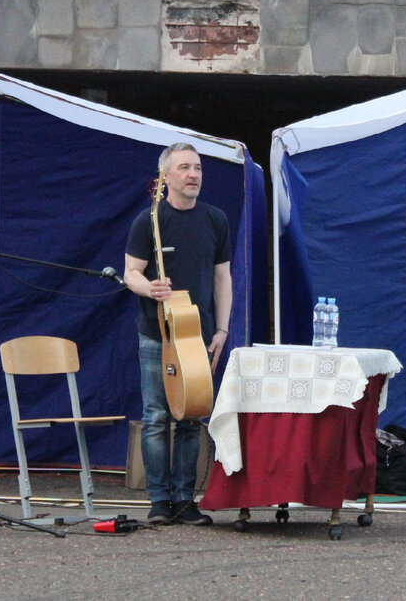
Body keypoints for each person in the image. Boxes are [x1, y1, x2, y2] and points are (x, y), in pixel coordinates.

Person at [124, 143, 232, 526]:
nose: (193, 175)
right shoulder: (149, 221)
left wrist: (221, 328)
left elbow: (223, 277)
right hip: (158, 334)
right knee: (156, 417)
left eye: (198, 168)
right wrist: (147, 288)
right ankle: (159, 500)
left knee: (191, 417)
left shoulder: (215, 219)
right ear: (165, 177)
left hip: (198, 336)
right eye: (184, 168)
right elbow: (131, 272)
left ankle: (185, 500)